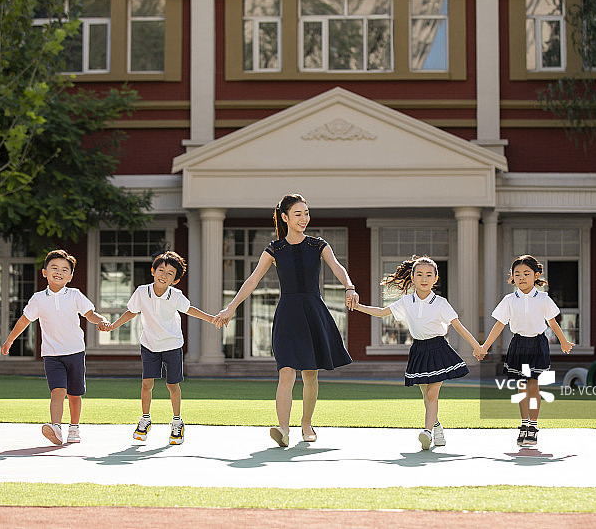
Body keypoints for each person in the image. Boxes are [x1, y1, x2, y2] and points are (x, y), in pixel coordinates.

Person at [213, 193, 357, 447]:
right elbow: (253, 280)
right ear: (285, 217)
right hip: (288, 315)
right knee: (286, 372)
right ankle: (283, 429)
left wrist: (349, 286)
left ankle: (306, 423)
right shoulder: (274, 249)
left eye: (306, 213)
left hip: (314, 311)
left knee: (310, 375)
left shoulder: (318, 245)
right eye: (298, 214)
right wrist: (231, 307)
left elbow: (336, 266)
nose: (304, 219)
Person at [353, 256, 485, 450]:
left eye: (429, 275)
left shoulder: (441, 303)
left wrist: (477, 346)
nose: (424, 278)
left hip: (439, 349)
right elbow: (382, 312)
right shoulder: (406, 301)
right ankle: (437, 428)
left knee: (432, 395)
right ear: (413, 278)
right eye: (420, 274)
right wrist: (357, 307)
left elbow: (458, 326)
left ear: (435, 278)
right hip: (419, 350)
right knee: (426, 396)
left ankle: (428, 433)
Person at [99, 251, 216, 445]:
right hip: (149, 345)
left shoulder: (176, 295)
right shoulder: (142, 292)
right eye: (161, 270)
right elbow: (131, 312)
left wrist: (211, 319)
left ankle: (177, 422)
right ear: (153, 271)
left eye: (170, 273)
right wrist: (113, 326)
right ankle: (145, 419)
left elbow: (190, 310)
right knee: (147, 384)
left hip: (172, 345)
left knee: (173, 385)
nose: (164, 275)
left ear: (175, 280)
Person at [2, 249, 108, 445]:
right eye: (54, 268)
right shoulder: (38, 299)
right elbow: (24, 321)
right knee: (57, 391)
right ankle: (57, 428)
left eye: (64, 269)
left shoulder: (75, 295)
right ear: (44, 272)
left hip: (75, 352)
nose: (59, 272)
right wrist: (10, 340)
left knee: (75, 394)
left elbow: (90, 313)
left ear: (70, 276)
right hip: (52, 354)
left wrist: (101, 320)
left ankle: (74, 428)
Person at [481, 254, 574, 447]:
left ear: (536, 275)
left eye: (526, 273)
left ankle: (533, 426)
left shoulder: (543, 298)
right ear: (512, 277)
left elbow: (553, 323)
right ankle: (524, 425)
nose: (521, 277)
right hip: (518, 345)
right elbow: (499, 325)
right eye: (517, 274)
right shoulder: (508, 300)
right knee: (522, 387)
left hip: (538, 345)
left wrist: (564, 341)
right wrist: (484, 346)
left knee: (533, 386)